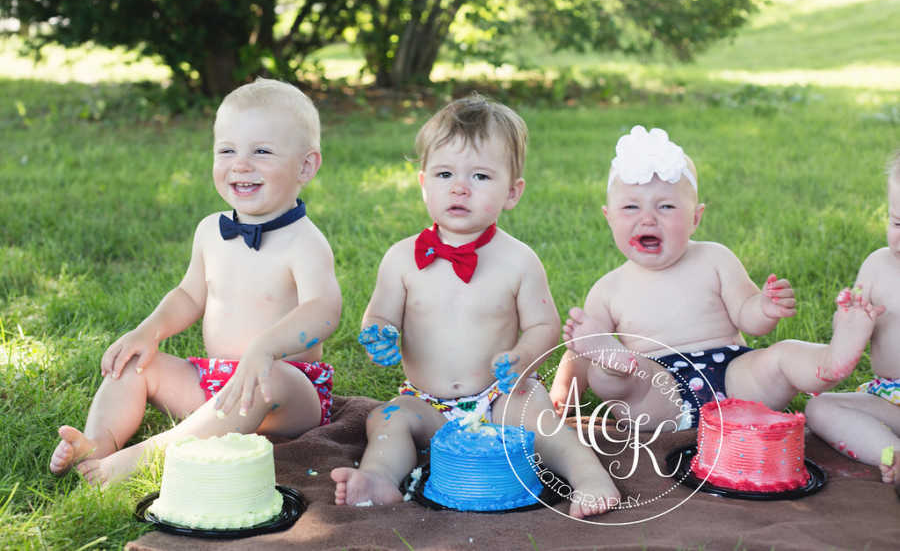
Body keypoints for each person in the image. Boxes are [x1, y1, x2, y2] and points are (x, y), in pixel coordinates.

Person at [330, 95, 620, 518]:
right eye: (445, 173)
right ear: (423, 182)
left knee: (543, 422)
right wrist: (380, 334)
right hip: (426, 401)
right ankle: (378, 479)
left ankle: (590, 478)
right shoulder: (401, 258)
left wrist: (522, 358)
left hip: (500, 394)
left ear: (512, 192)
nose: (460, 187)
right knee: (385, 421)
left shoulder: (518, 260)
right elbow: (379, 314)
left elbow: (544, 324)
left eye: (481, 176)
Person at [49, 78, 341, 485]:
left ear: (305, 166)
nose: (240, 164)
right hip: (213, 379)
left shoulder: (304, 242)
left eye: (262, 151)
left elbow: (324, 311)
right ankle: (98, 442)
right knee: (136, 365)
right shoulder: (210, 231)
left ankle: (150, 455)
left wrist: (265, 349)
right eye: (227, 150)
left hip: (285, 392)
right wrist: (149, 331)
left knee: (268, 377)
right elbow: (188, 295)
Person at [548, 125, 884, 433]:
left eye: (666, 207)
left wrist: (764, 308)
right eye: (630, 208)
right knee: (608, 375)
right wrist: (563, 392)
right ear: (609, 218)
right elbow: (580, 351)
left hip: (736, 376)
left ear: (695, 217)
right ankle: (617, 363)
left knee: (781, 354)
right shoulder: (609, 289)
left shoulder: (714, 258)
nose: (648, 219)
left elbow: (747, 316)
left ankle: (832, 360)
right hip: (659, 392)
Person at [806, 151, 900, 485]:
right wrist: (849, 321)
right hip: (890, 399)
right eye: (897, 222)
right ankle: (891, 454)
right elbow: (845, 342)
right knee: (819, 409)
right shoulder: (877, 266)